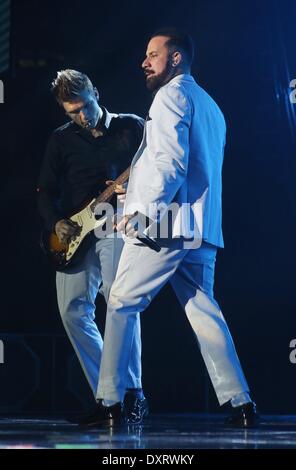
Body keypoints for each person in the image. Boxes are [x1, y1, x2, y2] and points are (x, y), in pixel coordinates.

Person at [92, 28, 259, 427]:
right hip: (200, 227)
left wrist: (143, 211)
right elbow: (190, 166)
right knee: (204, 310)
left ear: (177, 58)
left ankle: (111, 401)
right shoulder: (212, 106)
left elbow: (170, 162)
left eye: (153, 54)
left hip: (166, 223)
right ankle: (240, 401)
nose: (144, 62)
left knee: (120, 302)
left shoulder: (170, 96)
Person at [37, 69, 148, 424]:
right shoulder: (60, 140)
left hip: (115, 225)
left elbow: (159, 170)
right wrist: (55, 222)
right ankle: (109, 393)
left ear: (96, 93)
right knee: (72, 311)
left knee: (120, 303)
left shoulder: (131, 127)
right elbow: (44, 190)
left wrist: (132, 192)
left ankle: (130, 393)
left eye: (85, 106)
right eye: (72, 112)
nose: (82, 116)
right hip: (74, 232)